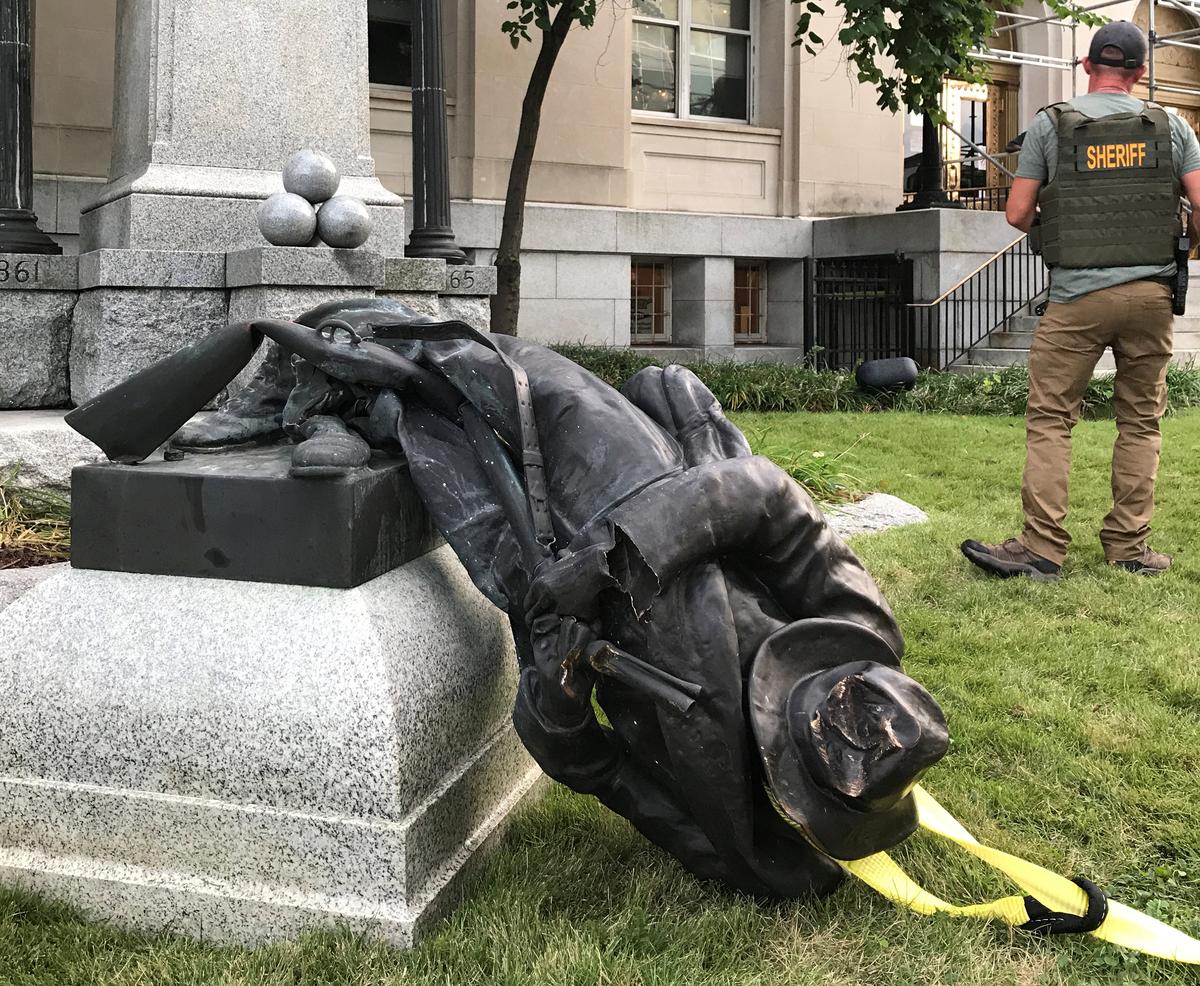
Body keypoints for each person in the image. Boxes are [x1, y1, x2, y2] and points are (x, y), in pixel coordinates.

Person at [962, 21, 1200, 581]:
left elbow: (1018, 213)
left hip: (1076, 296)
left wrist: (1067, 226)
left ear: (1086, 66)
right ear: (1140, 74)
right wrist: (1185, 251)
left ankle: (1042, 547)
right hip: (1151, 296)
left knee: (1051, 419)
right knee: (1141, 422)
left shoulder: (1051, 125)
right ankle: (1129, 548)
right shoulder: (1173, 127)